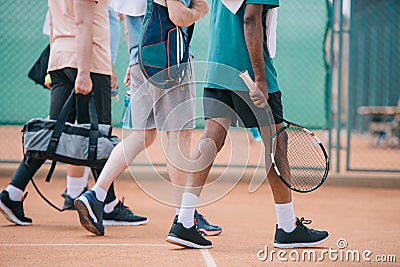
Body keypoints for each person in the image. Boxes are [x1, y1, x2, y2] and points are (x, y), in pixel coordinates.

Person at [166, 0, 329, 249]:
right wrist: (260, 79)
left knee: (211, 138)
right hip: (249, 71)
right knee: (277, 142)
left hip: (218, 67)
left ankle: (184, 221)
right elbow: (250, 18)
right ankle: (287, 227)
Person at [74, 0, 221, 237]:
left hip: (141, 60)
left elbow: (129, 24)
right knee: (178, 137)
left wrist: (136, 60)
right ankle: (186, 217)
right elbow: (179, 17)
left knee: (142, 135)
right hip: (170, 59)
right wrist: (200, 9)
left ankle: (96, 194)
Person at [0, 0, 146, 227]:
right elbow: (83, 22)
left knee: (51, 135)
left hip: (60, 59)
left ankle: (13, 192)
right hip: (88, 61)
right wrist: (85, 72)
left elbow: (53, 25)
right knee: (99, 134)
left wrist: (52, 68)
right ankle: (107, 205)